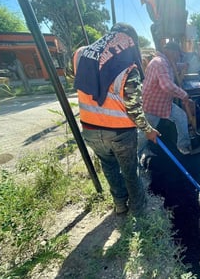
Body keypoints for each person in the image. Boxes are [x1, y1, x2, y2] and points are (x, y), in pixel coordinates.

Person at [73, 22, 160, 215]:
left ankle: (120, 204)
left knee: (109, 167)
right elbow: (134, 108)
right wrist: (148, 130)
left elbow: (76, 78)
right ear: (130, 43)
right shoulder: (129, 69)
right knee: (130, 170)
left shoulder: (82, 56)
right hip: (120, 133)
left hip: (90, 129)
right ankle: (138, 210)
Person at [141, 41, 192, 156]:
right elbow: (166, 85)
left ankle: (183, 145)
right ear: (172, 52)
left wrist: (183, 65)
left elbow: (173, 67)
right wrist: (183, 94)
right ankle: (137, 160)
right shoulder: (160, 63)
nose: (179, 57)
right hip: (152, 105)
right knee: (145, 133)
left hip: (164, 104)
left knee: (181, 117)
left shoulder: (166, 62)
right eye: (179, 55)